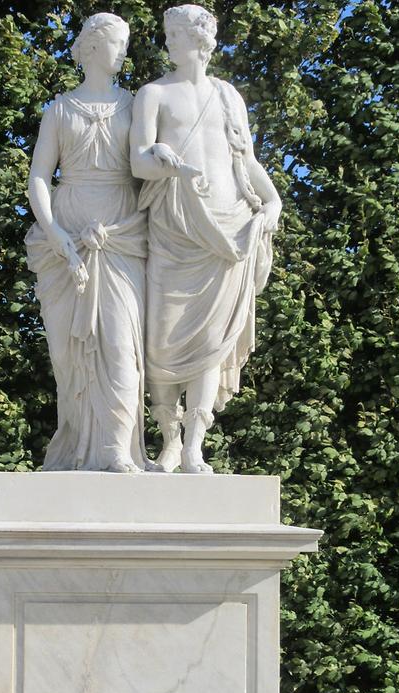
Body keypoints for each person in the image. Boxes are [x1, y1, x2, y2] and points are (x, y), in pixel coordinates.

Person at [130, 4, 281, 473]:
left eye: (174, 34)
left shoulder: (228, 96)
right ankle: (167, 437)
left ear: (198, 39)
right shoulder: (153, 93)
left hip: (230, 226)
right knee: (160, 341)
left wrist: (272, 201)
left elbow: (246, 160)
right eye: (167, 33)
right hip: (175, 224)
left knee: (213, 342)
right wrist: (164, 158)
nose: (167, 42)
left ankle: (193, 443)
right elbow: (138, 162)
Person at [26, 13, 150, 472]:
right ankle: (79, 445)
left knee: (120, 344)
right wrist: (58, 236)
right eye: (118, 44)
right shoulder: (60, 110)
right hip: (67, 233)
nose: (123, 52)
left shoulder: (136, 105)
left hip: (121, 232)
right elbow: (39, 176)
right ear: (94, 48)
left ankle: (117, 448)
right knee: (67, 353)